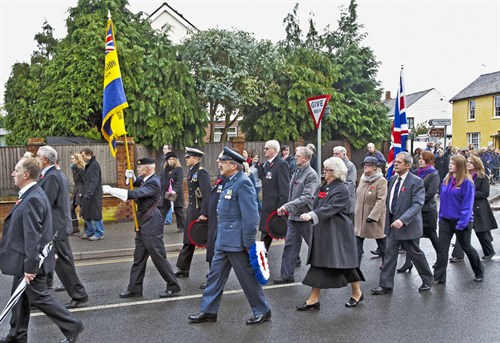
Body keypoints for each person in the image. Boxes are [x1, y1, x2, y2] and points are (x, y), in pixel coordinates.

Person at [0, 156, 83, 343]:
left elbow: (33, 235)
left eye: (16, 170)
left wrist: (30, 267)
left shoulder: (33, 198)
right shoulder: (31, 194)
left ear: (26, 174)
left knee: (39, 297)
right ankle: (17, 335)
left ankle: (72, 325)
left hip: (30, 261)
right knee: (19, 298)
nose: (13, 174)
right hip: (25, 258)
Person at [188, 147, 271, 325]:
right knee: (214, 277)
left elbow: (251, 216)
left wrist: (248, 242)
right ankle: (208, 310)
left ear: (233, 165)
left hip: (237, 241)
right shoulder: (228, 181)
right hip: (223, 238)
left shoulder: (243, 182)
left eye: (224, 162)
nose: (220, 164)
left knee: (247, 278)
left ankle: (262, 310)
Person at [103, 158, 181, 299]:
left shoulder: (154, 183)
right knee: (138, 258)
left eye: (140, 168)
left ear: (148, 169)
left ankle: (173, 286)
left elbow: (136, 194)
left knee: (158, 257)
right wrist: (132, 178)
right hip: (143, 223)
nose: (137, 169)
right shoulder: (148, 180)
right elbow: (140, 183)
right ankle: (134, 289)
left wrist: (111, 190)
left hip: (151, 223)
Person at [297, 157, 365, 310]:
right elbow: (317, 203)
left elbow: (331, 207)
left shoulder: (341, 188)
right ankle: (313, 299)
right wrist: (307, 211)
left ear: (335, 172)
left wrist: (313, 215)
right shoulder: (326, 186)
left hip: (338, 232)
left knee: (346, 264)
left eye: (327, 170)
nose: (324, 172)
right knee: (320, 263)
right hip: (325, 230)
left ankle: (357, 293)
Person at [371, 152, 433, 295]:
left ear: (408, 165)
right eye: (396, 162)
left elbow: (417, 204)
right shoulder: (392, 179)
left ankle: (427, 280)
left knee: (415, 254)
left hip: (408, 225)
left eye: (399, 162)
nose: (396, 164)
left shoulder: (416, 181)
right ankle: (385, 285)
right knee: (389, 254)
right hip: (393, 225)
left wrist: (403, 220)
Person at [36, 146, 89, 309]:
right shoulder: (51, 174)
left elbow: (45, 202)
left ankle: (79, 295)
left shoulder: (52, 176)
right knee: (42, 261)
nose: (35, 158)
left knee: (63, 263)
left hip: (55, 227)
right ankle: (35, 296)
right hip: (54, 226)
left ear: (45, 159)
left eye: (37, 156)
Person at [434, 155, 485, 284]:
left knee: (467, 247)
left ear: (460, 166)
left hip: (462, 221)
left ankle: (479, 271)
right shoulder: (446, 179)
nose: (450, 165)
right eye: (450, 163)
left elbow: (467, 205)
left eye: (453, 163)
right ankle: (439, 277)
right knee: (442, 249)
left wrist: (462, 223)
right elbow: (443, 201)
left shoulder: (467, 183)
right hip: (446, 220)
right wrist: (440, 217)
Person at [274, 146, 319, 284]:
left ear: (306, 158)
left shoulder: (311, 175)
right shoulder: (297, 172)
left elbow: (307, 196)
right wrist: (287, 208)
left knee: (314, 247)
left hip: (306, 217)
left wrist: (287, 206)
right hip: (293, 217)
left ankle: (323, 274)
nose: (295, 157)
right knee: (290, 246)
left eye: (298, 155)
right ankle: (286, 275)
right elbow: (291, 193)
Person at [397, 151, 441, 272]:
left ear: (429, 161)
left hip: (427, 211)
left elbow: (431, 193)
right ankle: (408, 262)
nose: (420, 160)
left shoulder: (434, 174)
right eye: (420, 158)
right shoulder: (416, 173)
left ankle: (441, 258)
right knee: (412, 238)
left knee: (432, 236)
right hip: (415, 211)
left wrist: (416, 199)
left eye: (423, 159)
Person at [450, 156, 497, 261]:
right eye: (467, 162)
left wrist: (470, 193)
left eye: (471, 162)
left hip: (478, 208)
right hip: (466, 207)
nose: (468, 164)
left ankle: (489, 251)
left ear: (476, 164)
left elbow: (485, 193)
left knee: (481, 233)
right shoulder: (465, 176)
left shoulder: (482, 177)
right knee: (461, 230)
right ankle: (458, 255)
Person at [174, 147, 211, 278]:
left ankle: (213, 271)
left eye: (188, 157)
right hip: (192, 211)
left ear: (196, 159)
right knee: (188, 240)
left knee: (206, 241)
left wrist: (205, 213)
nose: (186, 159)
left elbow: (207, 195)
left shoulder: (201, 172)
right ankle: (183, 268)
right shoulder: (191, 172)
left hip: (200, 212)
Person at [354, 156, 387, 266]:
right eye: (365, 165)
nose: (365, 167)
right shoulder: (362, 179)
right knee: (357, 244)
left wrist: (373, 216)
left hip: (374, 218)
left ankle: (387, 264)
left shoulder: (381, 181)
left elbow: (381, 200)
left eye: (368, 165)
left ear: (375, 167)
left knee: (381, 242)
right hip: (360, 217)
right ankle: (355, 269)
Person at [259, 140, 290, 251]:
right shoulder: (267, 165)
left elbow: (284, 188)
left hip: (275, 208)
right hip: (267, 207)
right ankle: (261, 259)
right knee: (266, 235)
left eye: (267, 149)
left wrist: (282, 207)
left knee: (281, 232)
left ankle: (294, 258)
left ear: (274, 150)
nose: (264, 151)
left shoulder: (281, 165)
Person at [201, 153, 226, 290]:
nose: (217, 161)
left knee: (220, 253)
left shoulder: (231, 179)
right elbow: (212, 197)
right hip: (214, 220)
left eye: (221, 159)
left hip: (223, 222)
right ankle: (214, 277)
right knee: (213, 250)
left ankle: (215, 279)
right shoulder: (221, 177)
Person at [79, 147, 105, 240]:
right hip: (87, 193)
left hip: (94, 194)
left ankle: (99, 233)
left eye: (83, 156)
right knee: (86, 213)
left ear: (89, 155)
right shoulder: (89, 165)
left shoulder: (94, 165)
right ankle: (90, 231)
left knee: (96, 214)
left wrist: (89, 193)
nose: (82, 158)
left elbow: (94, 181)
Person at [163, 152, 185, 233]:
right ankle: (159, 226)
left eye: (173, 159)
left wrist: (175, 190)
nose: (171, 161)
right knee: (164, 208)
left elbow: (179, 181)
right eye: (169, 159)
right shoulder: (166, 169)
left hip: (176, 192)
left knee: (178, 210)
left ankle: (183, 227)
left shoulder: (178, 169)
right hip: (166, 192)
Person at [332, 146, 356, 216]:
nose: (334, 156)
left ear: (344, 154)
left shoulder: (350, 166)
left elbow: (350, 183)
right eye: (334, 154)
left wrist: (339, 195)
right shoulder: (335, 166)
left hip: (347, 200)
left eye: (337, 154)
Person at [69, 153, 85, 236]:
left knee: (83, 209)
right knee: (71, 208)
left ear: (77, 159)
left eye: (72, 158)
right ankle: (75, 228)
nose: (71, 160)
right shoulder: (74, 169)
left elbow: (84, 181)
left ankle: (87, 230)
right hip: (76, 189)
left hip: (81, 189)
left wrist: (82, 192)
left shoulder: (81, 169)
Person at [159, 144, 174, 222]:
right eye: (163, 148)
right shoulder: (164, 159)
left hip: (168, 184)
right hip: (163, 183)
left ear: (169, 150)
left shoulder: (172, 159)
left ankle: (167, 219)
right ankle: (166, 219)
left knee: (167, 200)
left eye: (165, 149)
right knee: (165, 201)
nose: (163, 150)